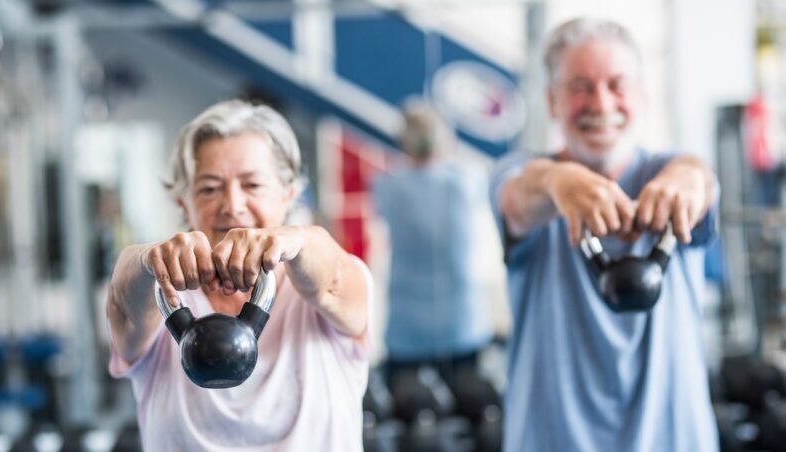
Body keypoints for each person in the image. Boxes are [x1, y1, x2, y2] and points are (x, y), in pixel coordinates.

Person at [490, 18, 719, 451]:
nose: (601, 102)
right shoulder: (520, 175)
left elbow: (699, 178)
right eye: (579, 87)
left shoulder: (671, 171)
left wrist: (689, 177)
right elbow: (519, 196)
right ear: (552, 102)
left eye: (617, 84)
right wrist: (558, 182)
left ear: (643, 97)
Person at [106, 99, 371, 451]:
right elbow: (125, 299)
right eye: (209, 188)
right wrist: (147, 260)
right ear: (184, 203)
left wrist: (293, 238)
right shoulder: (164, 296)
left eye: (253, 185)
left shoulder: (326, 287)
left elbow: (335, 279)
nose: (232, 204)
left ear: (289, 195)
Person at [371, 100, 494, 390]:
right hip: (462, 325)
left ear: (404, 142)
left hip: (407, 329)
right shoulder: (468, 182)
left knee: (406, 420)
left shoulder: (387, 187)